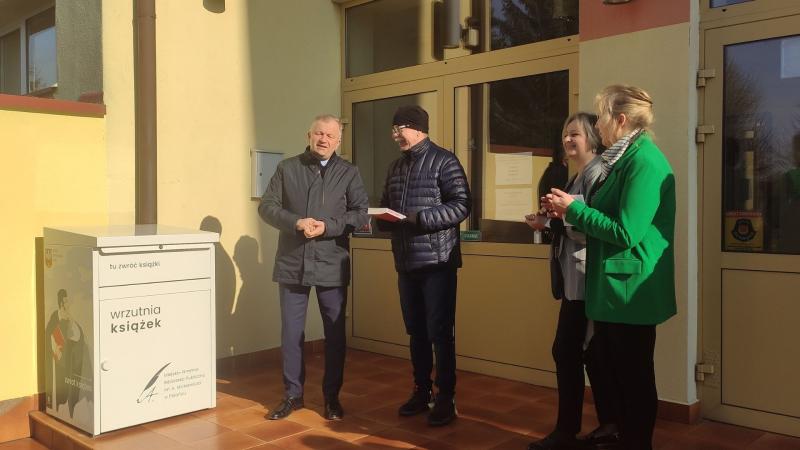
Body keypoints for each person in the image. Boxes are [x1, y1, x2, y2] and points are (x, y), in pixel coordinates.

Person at [544, 85, 677, 450]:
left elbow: (626, 231)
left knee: (634, 378)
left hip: (630, 290)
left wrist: (574, 210)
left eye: (600, 117)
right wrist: (570, 212)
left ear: (620, 120)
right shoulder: (624, 159)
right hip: (615, 287)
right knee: (615, 369)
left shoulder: (644, 162)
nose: (597, 125)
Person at [259, 114, 369, 421]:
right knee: (291, 333)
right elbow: (267, 207)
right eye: (319, 133)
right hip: (293, 262)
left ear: (339, 141)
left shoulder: (348, 172)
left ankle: (331, 398)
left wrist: (328, 226)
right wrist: (296, 222)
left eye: (330, 135)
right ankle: (292, 396)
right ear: (309, 135)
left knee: (334, 334)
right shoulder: (287, 168)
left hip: (331, 262)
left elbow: (360, 213)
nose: (323, 139)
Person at [525, 113, 620, 450]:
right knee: (589, 353)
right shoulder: (576, 176)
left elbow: (594, 226)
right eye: (565, 134)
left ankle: (568, 431)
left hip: (586, 279)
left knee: (568, 351)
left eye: (575, 133)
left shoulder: (598, 174)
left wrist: (559, 218)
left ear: (593, 137)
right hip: (575, 279)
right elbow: (571, 222)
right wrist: (547, 221)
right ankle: (609, 425)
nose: (567, 139)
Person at [375, 105, 470, 426]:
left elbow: (462, 205)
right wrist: (381, 219)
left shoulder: (445, 161)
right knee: (416, 331)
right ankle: (421, 390)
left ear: (418, 128)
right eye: (392, 130)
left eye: (399, 128)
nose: (395, 135)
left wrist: (420, 219)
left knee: (440, 333)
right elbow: (387, 203)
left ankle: (446, 397)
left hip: (437, 262)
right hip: (406, 262)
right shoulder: (395, 167)